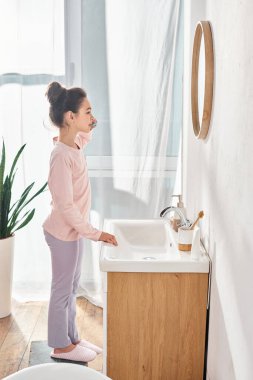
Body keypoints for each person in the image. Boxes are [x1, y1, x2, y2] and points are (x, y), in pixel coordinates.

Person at [42, 81, 118, 363]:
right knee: (61, 290)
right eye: (87, 111)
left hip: (72, 233)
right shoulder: (61, 156)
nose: (92, 117)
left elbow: (85, 134)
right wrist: (96, 234)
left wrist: (91, 121)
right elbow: (66, 207)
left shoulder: (74, 143)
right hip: (62, 233)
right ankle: (60, 346)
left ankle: (71, 338)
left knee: (71, 288)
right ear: (70, 117)